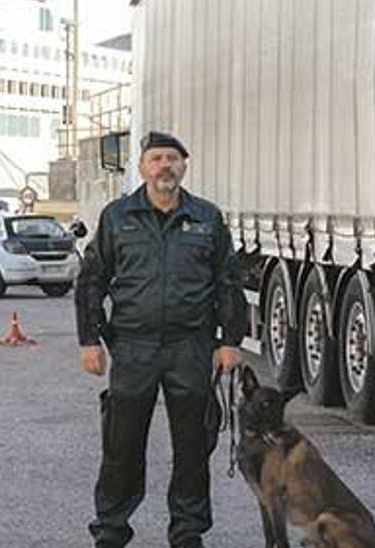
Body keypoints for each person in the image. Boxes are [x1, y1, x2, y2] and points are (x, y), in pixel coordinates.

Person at [74, 131, 248, 548]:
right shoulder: (118, 216)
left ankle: (187, 532)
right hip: (133, 348)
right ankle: (111, 530)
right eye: (156, 158)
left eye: (172, 158)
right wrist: (89, 340)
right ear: (142, 168)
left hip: (191, 347)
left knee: (193, 447)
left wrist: (230, 340)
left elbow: (228, 281)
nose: (164, 166)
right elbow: (92, 280)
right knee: (121, 446)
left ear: (184, 166)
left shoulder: (207, 218)